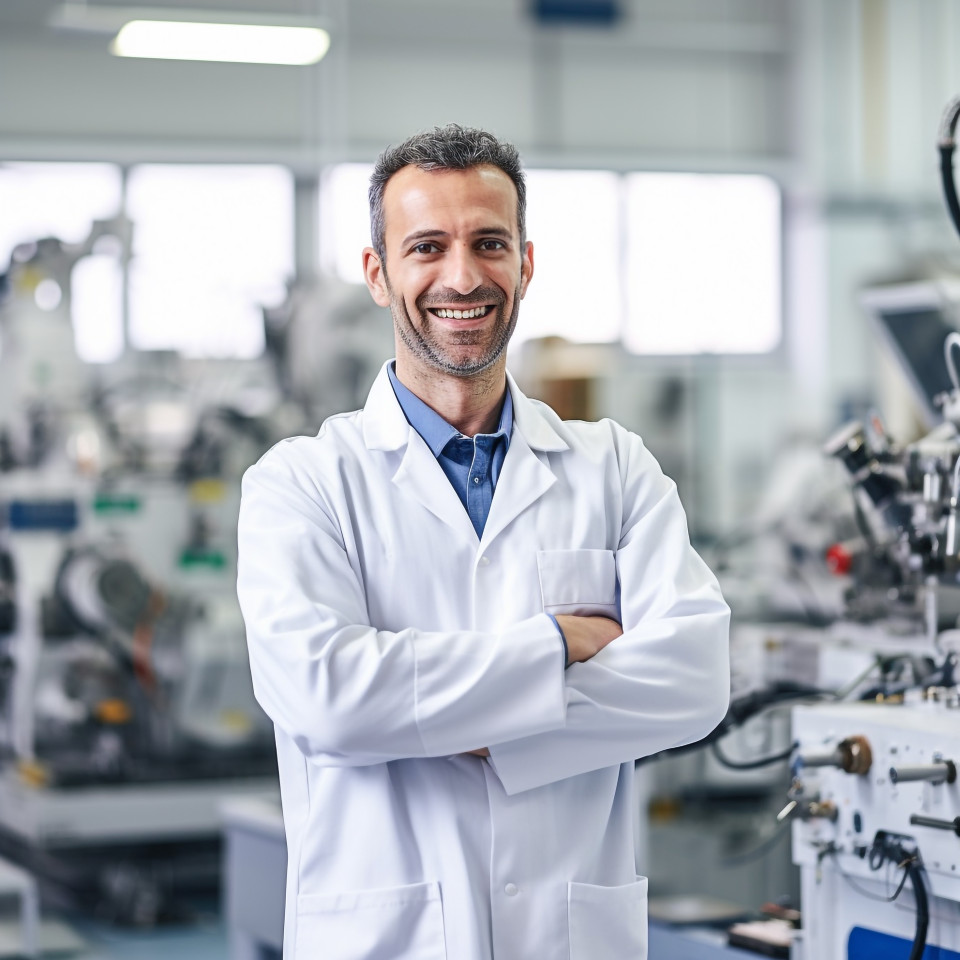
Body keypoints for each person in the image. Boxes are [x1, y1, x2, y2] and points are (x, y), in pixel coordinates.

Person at [237, 124, 730, 960]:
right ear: (378, 273)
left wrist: (436, 711)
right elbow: (327, 698)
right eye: (426, 246)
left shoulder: (612, 466)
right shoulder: (302, 483)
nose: (461, 276)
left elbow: (694, 680)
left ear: (526, 263)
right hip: (389, 936)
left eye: (488, 243)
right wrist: (558, 648)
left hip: (569, 937)